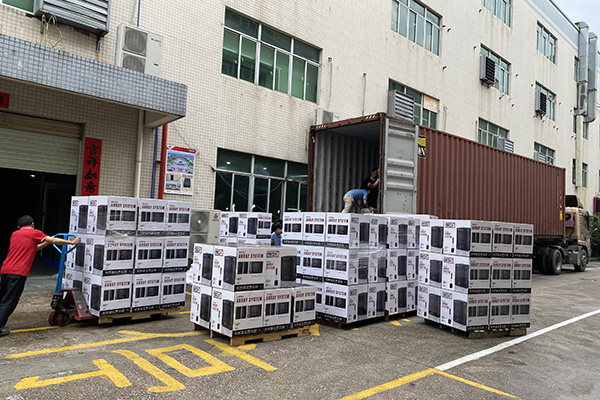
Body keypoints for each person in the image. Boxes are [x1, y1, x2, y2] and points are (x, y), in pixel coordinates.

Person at [0, 215, 81, 337]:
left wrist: (46, 242)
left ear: (19, 227)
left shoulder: (15, 234)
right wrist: (72, 242)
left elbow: (32, 248)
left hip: (5, 271)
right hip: (18, 273)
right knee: (10, 301)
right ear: (32, 224)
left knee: (3, 298)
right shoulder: (34, 233)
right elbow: (54, 241)